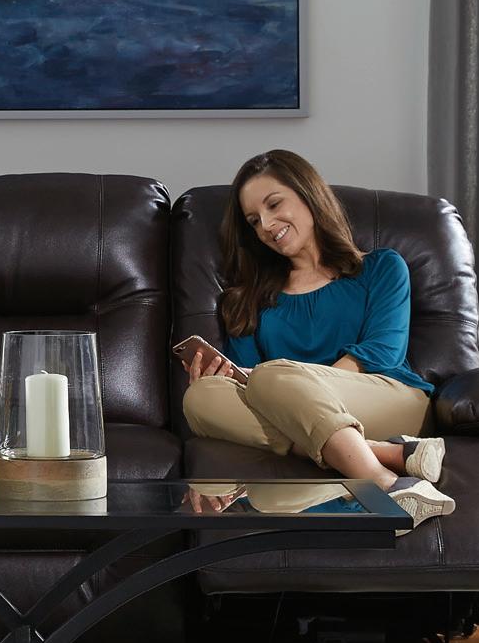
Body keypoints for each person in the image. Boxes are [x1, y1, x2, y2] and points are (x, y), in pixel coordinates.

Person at [180, 149, 452, 513]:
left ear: (309, 194)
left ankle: (382, 482)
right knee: (200, 398)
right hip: (292, 407)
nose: (266, 225)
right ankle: (385, 454)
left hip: (388, 397)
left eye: (274, 204)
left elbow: (384, 351)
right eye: (254, 220)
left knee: (272, 376)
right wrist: (222, 376)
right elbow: (248, 382)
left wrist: (296, 382)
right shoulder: (247, 299)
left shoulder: (382, 267)